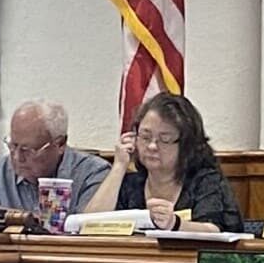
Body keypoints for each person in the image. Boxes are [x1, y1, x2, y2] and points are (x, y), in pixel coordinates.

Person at [84, 92, 241, 232]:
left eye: (164, 140)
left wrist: (175, 224)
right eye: (145, 137)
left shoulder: (205, 181)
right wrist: (119, 167)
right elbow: (89, 225)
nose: (152, 146)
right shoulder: (131, 185)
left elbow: (213, 230)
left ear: (186, 145)